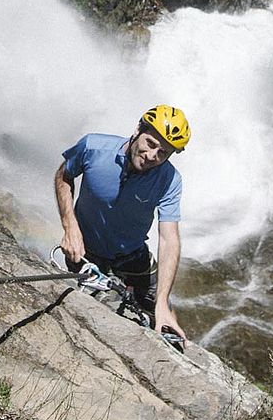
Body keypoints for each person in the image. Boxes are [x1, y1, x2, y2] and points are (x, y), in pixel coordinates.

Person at [54, 105, 189, 341]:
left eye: (163, 153)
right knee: (96, 319)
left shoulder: (169, 179)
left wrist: (162, 303)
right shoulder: (93, 148)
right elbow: (64, 175)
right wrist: (70, 227)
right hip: (85, 252)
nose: (152, 156)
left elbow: (169, 239)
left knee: (164, 309)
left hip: (132, 254)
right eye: (150, 143)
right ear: (138, 129)